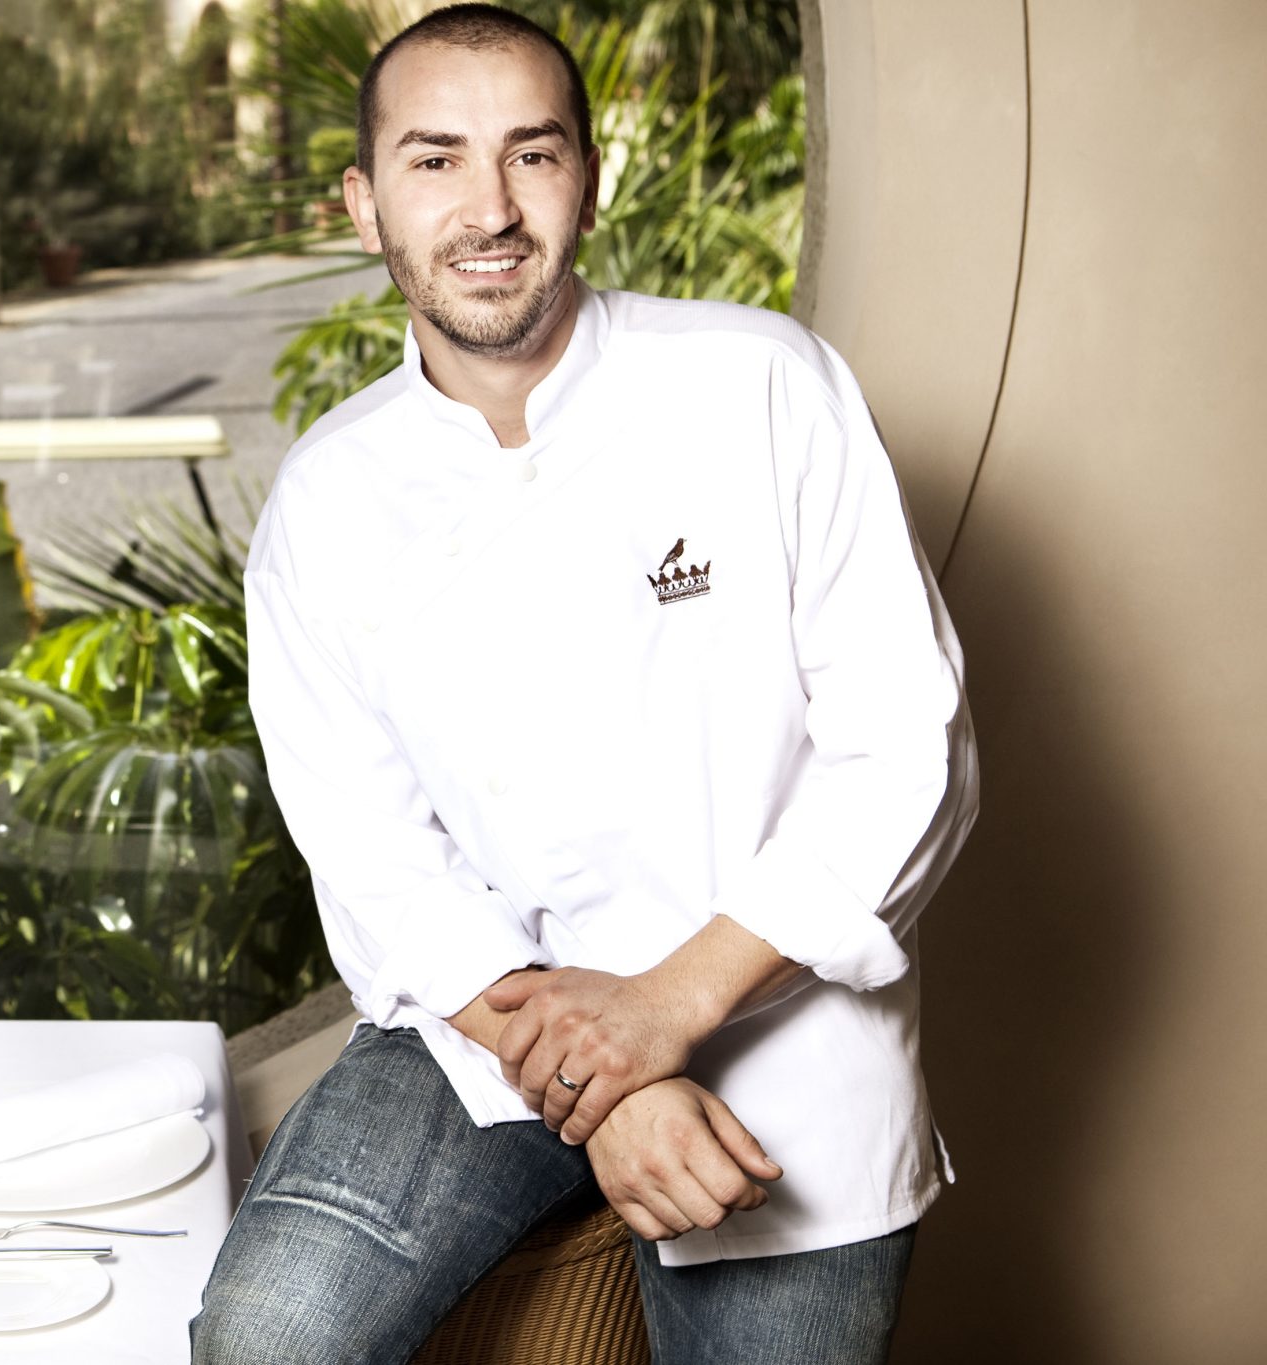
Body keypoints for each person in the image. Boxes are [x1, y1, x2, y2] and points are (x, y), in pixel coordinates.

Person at [191, 6, 978, 1364]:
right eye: (434, 161)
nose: (488, 208)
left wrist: (666, 1008)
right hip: (475, 1021)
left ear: (588, 180)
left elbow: (909, 754)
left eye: (531, 155)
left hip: (780, 1024)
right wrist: (606, 1077)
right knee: (266, 1337)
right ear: (364, 203)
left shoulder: (762, 387)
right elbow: (379, 863)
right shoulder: (328, 498)